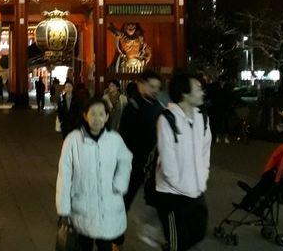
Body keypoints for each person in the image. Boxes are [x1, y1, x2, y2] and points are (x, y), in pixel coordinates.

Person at [56, 96, 133, 251]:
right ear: (85, 115)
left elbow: (125, 160)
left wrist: (120, 183)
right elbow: (64, 174)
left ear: (106, 117)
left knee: (105, 246)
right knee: (83, 245)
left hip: (108, 207)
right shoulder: (73, 140)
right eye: (93, 114)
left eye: (101, 114)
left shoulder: (114, 139)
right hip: (82, 207)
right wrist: (64, 209)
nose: (97, 118)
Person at [155, 71, 212, 251]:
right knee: (178, 242)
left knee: (198, 232)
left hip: (196, 191)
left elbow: (205, 152)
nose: (202, 92)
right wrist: (181, 185)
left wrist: (203, 176)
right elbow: (167, 160)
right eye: (197, 88)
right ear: (184, 93)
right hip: (172, 195)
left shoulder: (203, 118)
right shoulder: (168, 119)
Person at [119, 69, 164, 211]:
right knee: (125, 200)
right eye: (151, 86)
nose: (155, 91)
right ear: (141, 85)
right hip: (134, 164)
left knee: (152, 203)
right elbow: (125, 138)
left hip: (152, 165)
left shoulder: (159, 107)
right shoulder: (132, 107)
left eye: (158, 88)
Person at [206, 74, 234, 143]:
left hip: (225, 107)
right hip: (217, 107)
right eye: (222, 81)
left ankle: (225, 137)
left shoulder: (228, 87)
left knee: (226, 123)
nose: (222, 83)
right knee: (217, 122)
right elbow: (211, 95)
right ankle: (217, 137)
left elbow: (230, 96)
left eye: (224, 81)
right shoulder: (214, 86)